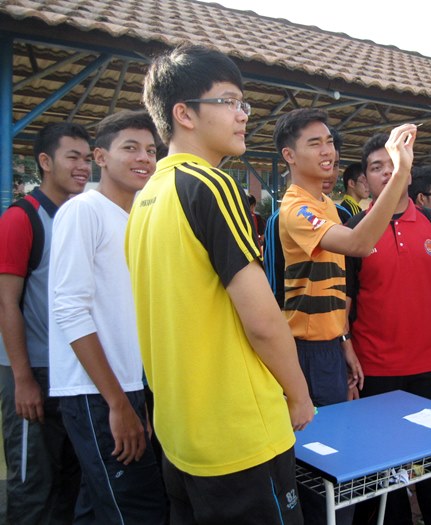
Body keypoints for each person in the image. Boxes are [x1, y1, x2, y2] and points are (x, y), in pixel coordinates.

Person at [125, 44, 314, 524]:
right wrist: (298, 394)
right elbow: (262, 320)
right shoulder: (210, 185)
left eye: (242, 103)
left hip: (181, 436)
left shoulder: (144, 199)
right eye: (228, 101)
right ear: (184, 113)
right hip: (238, 436)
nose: (242, 115)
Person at [274, 108, 416, 525]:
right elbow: (358, 243)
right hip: (306, 353)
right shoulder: (296, 209)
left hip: (329, 350)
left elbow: (336, 286)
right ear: (288, 155)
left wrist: (343, 342)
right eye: (314, 143)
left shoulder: (325, 206)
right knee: (323, 473)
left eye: (330, 142)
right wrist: (400, 171)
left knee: (337, 470)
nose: (328, 151)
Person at [48, 110, 167, 523]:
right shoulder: (84, 211)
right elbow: (69, 308)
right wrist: (117, 403)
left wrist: (137, 397)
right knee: (138, 509)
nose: (144, 158)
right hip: (96, 390)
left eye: (150, 150)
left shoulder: (135, 218)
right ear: (100, 156)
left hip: (128, 385)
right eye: (130, 148)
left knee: (101, 504)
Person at [346, 133, 431, 525]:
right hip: (375, 371)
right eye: (376, 167)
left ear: (409, 171)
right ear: (365, 179)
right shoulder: (353, 231)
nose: (386, 173)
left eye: (393, 164)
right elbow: (346, 304)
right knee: (382, 477)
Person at [0, 122, 90, 524]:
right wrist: (22, 380)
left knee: (72, 481)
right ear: (45, 162)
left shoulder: (77, 217)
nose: (83, 166)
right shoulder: (22, 219)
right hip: (33, 372)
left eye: (87, 158)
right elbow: (6, 303)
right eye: (72, 157)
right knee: (33, 485)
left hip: (72, 373)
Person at [264, 127, 348, 308]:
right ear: (290, 156)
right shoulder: (280, 218)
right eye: (315, 146)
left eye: (335, 164)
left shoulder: (343, 214)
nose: (330, 170)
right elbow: (275, 279)